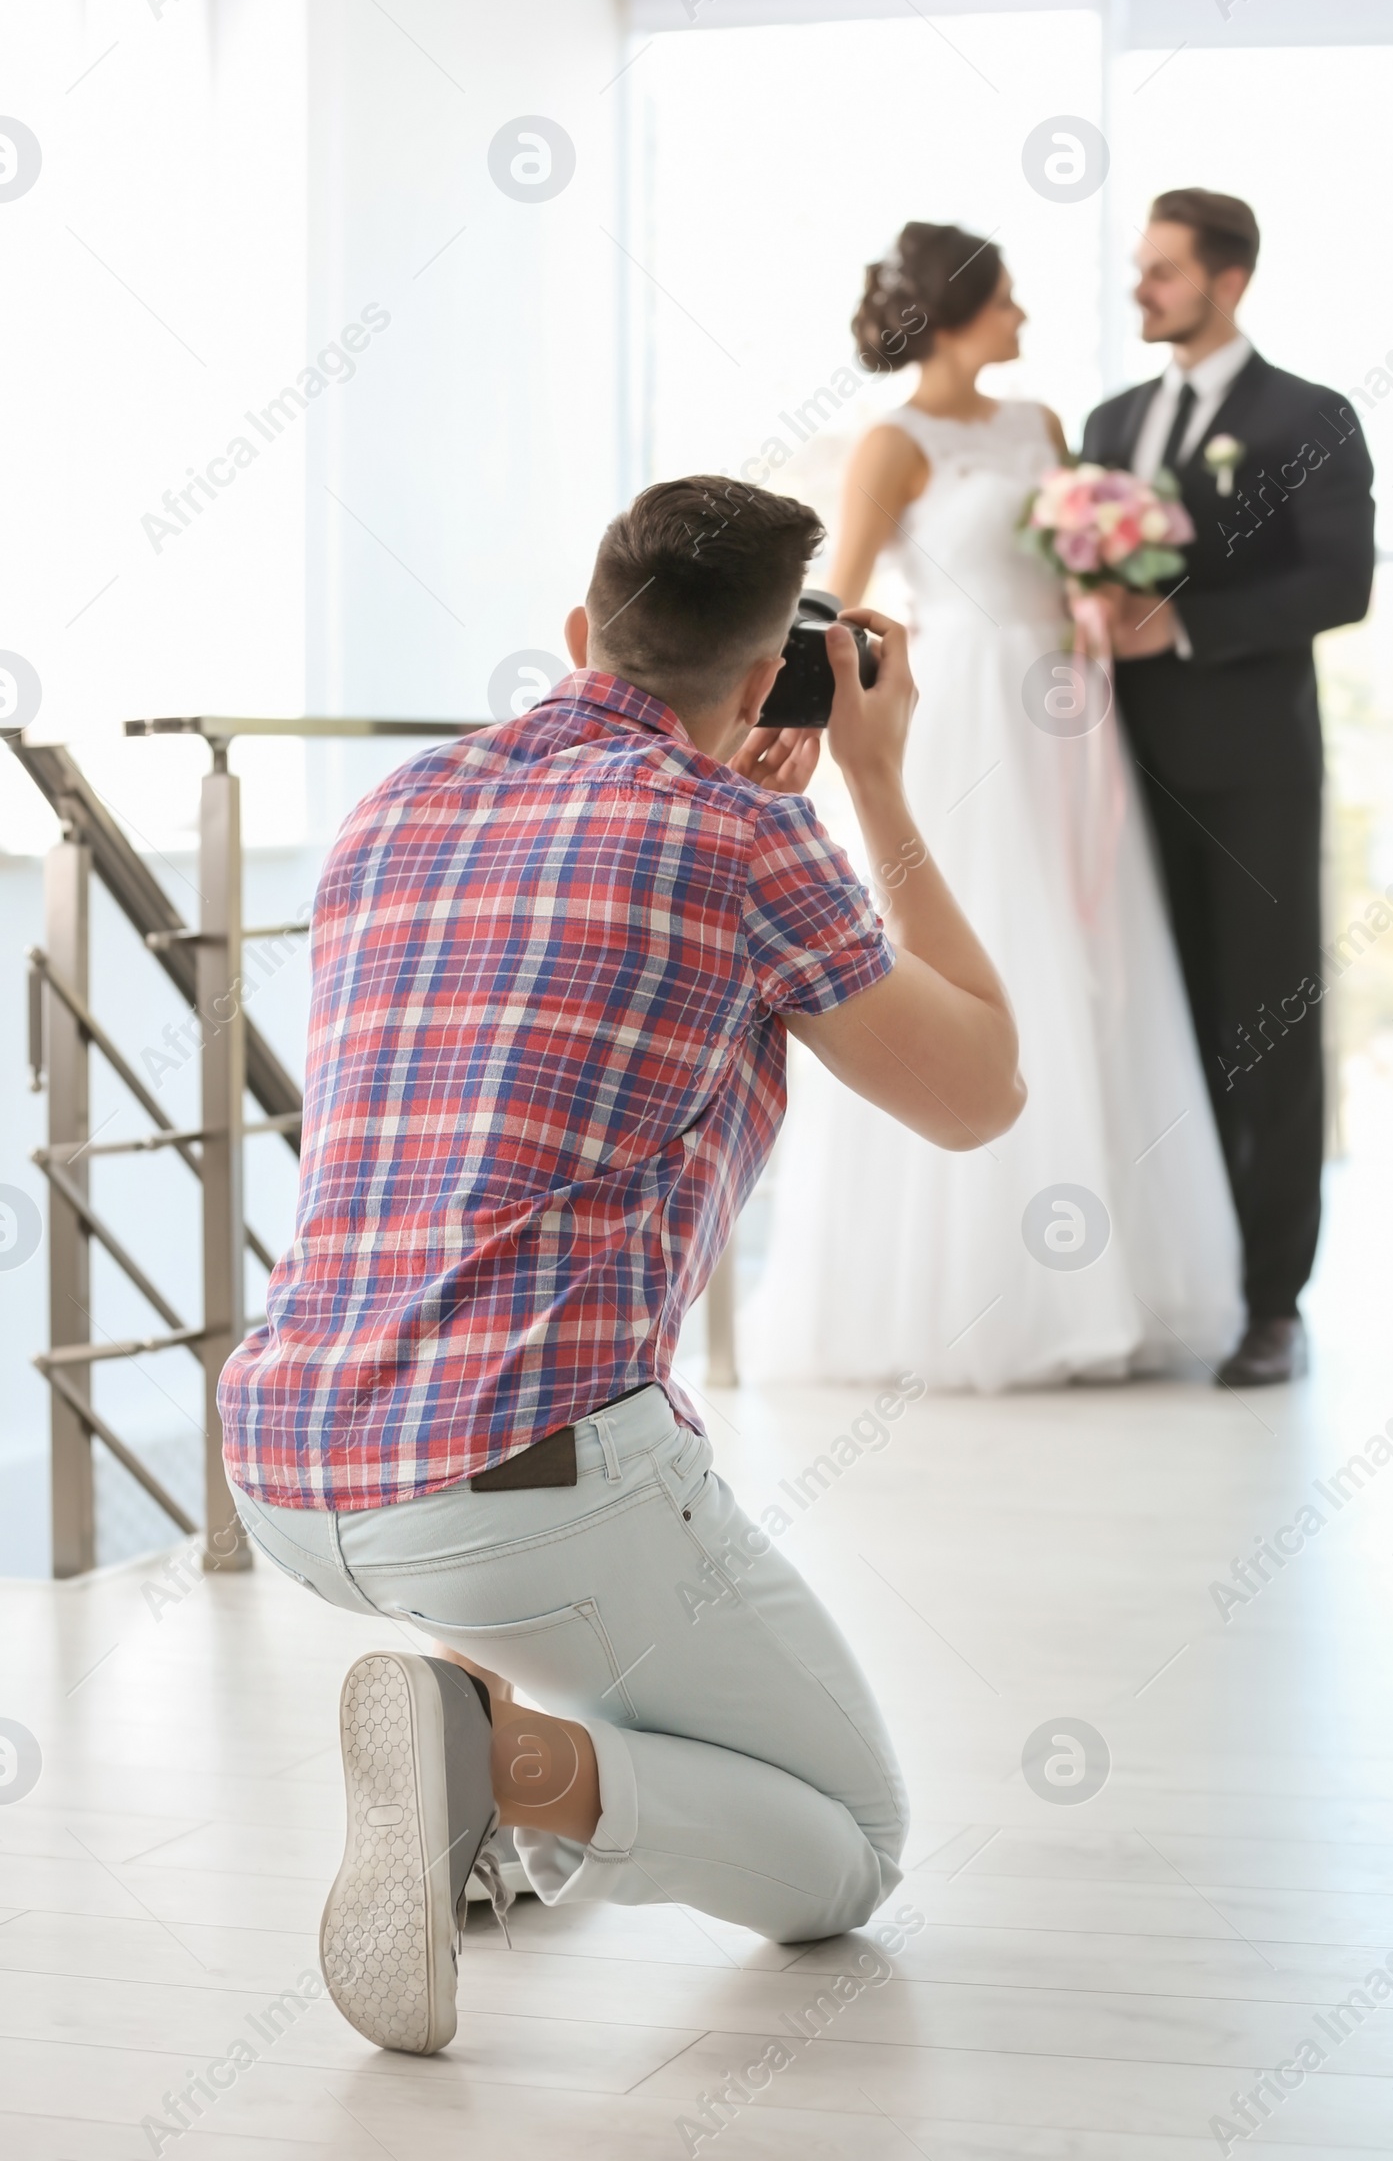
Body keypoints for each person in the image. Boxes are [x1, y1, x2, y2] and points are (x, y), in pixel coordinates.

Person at [218, 475, 1024, 2056]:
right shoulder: (746, 835)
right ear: (769, 680)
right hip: (520, 1490)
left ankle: (487, 1747)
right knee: (846, 1847)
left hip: (287, 1466)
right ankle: (511, 1768)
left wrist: (740, 760)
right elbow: (978, 1092)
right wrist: (869, 782)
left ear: (583, 633)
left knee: (558, 1559)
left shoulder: (402, 805)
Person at [746, 221, 1243, 1391]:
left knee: (1087, 957)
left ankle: (1109, 1286)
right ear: (962, 312)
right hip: (962, 714)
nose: (1023, 320)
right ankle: (972, 1296)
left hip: (1066, 715)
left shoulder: (1041, 428)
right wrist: (793, 711)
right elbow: (844, 594)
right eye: (1008, 301)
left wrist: (1112, 575)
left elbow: (1078, 571)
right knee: (972, 951)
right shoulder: (893, 441)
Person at [1081, 189, 1375, 1388]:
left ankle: (1272, 1305)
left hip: (1252, 777)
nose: (1141, 288)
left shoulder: (1307, 415)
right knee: (1153, 1023)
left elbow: (1338, 585)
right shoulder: (1107, 424)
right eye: (1139, 269)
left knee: (1267, 1030)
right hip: (1112, 774)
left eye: (1161, 271)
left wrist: (1178, 629)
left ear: (1229, 279)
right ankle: (1166, 1280)